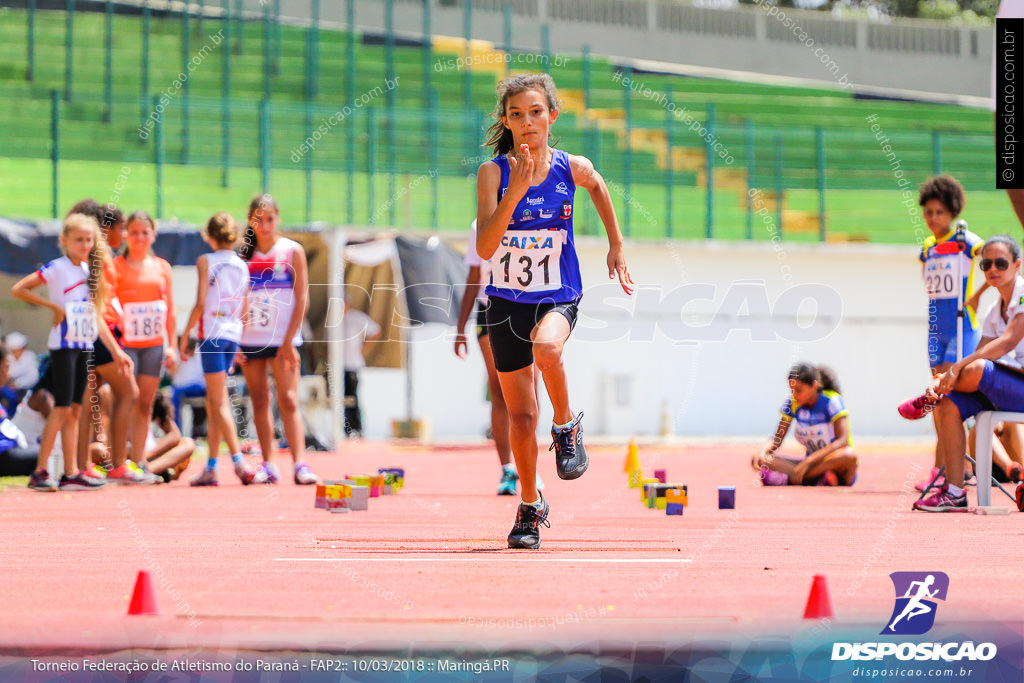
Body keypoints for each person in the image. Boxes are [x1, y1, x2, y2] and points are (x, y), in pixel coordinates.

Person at [476, 73, 634, 549]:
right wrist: (514, 193)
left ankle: (566, 426)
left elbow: (599, 184)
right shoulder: (492, 173)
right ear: (505, 120)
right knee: (521, 417)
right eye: (517, 114)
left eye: (536, 112)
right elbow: (485, 247)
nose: (527, 122)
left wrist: (616, 245)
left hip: (557, 294)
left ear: (552, 116)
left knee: (547, 348)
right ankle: (530, 504)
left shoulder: (572, 168)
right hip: (505, 303)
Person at [900, 235, 1024, 512]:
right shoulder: (994, 310)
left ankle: (928, 396)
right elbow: (978, 352)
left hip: (1019, 386)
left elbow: (1007, 343)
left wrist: (953, 370)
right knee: (948, 405)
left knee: (977, 368)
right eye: (986, 264)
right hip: (1010, 387)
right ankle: (955, 491)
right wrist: (946, 378)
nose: (992, 269)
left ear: (1017, 265)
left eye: (1001, 263)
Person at [10, 212, 131, 491]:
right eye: (78, 240)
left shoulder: (88, 271)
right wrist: (54, 308)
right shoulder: (57, 268)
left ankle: (71, 471)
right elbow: (20, 289)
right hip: (64, 346)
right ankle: (40, 471)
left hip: (84, 344)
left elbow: (96, 316)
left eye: (89, 240)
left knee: (76, 409)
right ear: (64, 241)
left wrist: (116, 351)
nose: (84, 245)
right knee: (63, 408)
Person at [237, 195, 318, 485]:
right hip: (250, 340)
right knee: (259, 400)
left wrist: (288, 341)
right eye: (259, 219)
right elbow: (234, 301)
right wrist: (235, 340)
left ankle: (300, 464)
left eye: (270, 218)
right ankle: (269, 464)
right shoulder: (242, 257)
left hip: (284, 340)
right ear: (251, 221)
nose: (265, 225)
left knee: (289, 400)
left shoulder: (291, 251)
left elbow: (302, 297)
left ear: (277, 219)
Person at [916, 175, 986, 492]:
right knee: (936, 398)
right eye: (929, 212)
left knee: (945, 394)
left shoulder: (968, 241)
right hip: (936, 329)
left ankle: (952, 469)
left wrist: (978, 295)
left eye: (939, 212)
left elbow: (996, 265)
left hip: (962, 326)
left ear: (952, 212)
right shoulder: (927, 249)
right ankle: (948, 466)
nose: (933, 218)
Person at [179, 212, 256, 486]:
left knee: (219, 400)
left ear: (208, 236)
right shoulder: (242, 265)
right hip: (231, 333)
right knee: (214, 402)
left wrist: (185, 333)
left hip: (211, 333)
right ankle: (212, 465)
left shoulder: (206, 261)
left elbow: (200, 303)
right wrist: (238, 343)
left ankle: (239, 462)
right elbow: (245, 309)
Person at [454, 219, 524, 495]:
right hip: (491, 307)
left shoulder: (531, 212)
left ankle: (527, 464)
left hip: (528, 305)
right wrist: (460, 327)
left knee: (527, 388)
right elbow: (474, 275)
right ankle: (507, 468)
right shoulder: (478, 225)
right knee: (499, 388)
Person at [752, 364, 858, 487]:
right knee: (761, 459)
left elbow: (843, 441)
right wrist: (762, 451)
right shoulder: (792, 403)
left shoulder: (832, 401)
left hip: (832, 463)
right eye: (792, 390)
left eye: (799, 390)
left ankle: (793, 479)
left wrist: (808, 462)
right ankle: (817, 479)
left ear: (814, 386)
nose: (794, 395)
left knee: (850, 456)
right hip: (808, 466)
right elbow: (777, 439)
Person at [341, 298, 381, 439]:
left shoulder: (356, 317)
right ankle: (345, 429)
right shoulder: (333, 320)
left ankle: (356, 428)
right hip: (337, 367)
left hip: (352, 364)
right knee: (340, 399)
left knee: (352, 398)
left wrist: (363, 349)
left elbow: (376, 331)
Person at [139, 392, 196, 483]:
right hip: (132, 456)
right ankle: (144, 471)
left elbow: (175, 435)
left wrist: (148, 454)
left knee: (187, 443)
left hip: (148, 457)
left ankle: (147, 471)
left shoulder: (154, 398)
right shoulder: (124, 402)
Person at [3, 332, 39, 411]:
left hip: (25, 389)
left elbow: (33, 377)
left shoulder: (29, 356)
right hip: (6, 386)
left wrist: (17, 384)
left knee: (14, 398)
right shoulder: (9, 357)